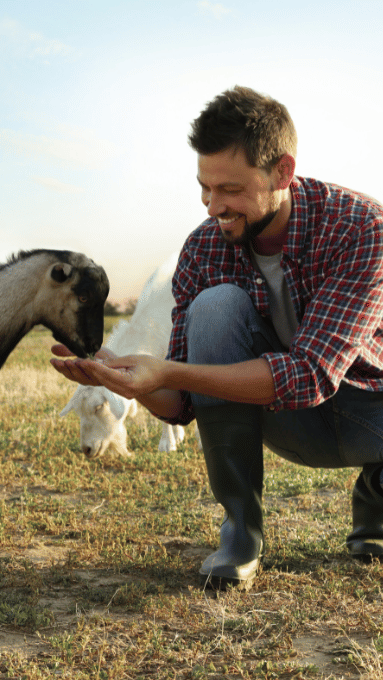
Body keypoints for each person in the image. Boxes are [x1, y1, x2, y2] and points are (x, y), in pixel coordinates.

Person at [51, 85, 383, 591]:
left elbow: (311, 374)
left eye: (229, 189)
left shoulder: (361, 227)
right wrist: (128, 380)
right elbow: (185, 401)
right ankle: (241, 533)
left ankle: (377, 499)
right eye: (205, 188)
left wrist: (170, 370)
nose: (212, 206)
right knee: (214, 306)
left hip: (370, 412)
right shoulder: (204, 249)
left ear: (283, 172)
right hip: (284, 417)